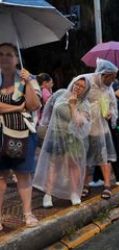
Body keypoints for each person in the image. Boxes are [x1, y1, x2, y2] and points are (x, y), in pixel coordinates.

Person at [0, 43, 42, 229]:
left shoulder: (28, 78)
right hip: (1, 133)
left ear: (17, 59)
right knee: (0, 177)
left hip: (23, 134)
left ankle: (27, 214)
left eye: (9, 54)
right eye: (1, 54)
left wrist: (28, 84)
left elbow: (33, 105)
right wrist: (17, 107)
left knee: (23, 175)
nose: (5, 58)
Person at [33, 76, 91, 207]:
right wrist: (44, 123)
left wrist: (72, 105)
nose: (78, 87)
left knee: (73, 165)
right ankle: (48, 195)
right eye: (77, 84)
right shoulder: (60, 94)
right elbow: (48, 108)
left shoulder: (85, 104)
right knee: (53, 165)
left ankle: (74, 193)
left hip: (73, 138)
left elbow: (79, 122)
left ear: (86, 90)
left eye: (82, 86)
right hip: (56, 134)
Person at [82, 59, 118, 200]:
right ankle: (85, 185)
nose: (114, 81)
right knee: (84, 158)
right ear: (105, 74)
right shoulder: (87, 82)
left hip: (101, 128)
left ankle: (107, 185)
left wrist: (111, 113)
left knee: (103, 157)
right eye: (113, 77)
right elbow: (76, 99)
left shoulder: (109, 88)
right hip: (85, 127)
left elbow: (113, 105)